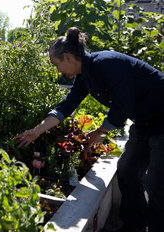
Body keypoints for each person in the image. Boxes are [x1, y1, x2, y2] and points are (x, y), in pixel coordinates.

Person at [14, 27, 164, 232]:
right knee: (127, 170)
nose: (58, 71)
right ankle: (135, 224)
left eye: (57, 64)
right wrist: (37, 131)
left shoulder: (107, 64)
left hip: (162, 118)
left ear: (67, 57)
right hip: (145, 122)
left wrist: (101, 132)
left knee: (157, 183)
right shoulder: (85, 76)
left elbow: (123, 105)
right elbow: (66, 106)